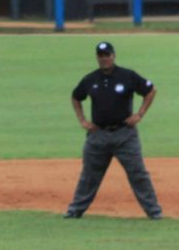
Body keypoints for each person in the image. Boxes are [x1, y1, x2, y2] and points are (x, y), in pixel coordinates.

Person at [63, 41, 162, 221]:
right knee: (89, 176)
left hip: (125, 134)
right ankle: (75, 210)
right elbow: (76, 97)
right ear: (97, 58)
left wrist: (139, 114)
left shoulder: (127, 76)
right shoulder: (90, 79)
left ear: (113, 56)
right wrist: (83, 120)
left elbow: (150, 90)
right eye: (101, 56)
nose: (104, 59)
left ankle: (154, 211)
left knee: (138, 173)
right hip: (98, 135)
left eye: (107, 55)